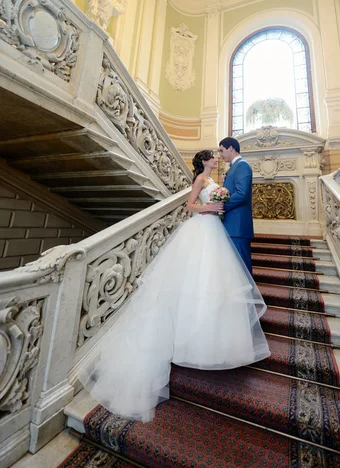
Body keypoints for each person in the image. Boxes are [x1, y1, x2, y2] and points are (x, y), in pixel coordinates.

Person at [79, 149, 270, 422]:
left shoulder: (217, 181)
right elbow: (190, 206)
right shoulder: (201, 181)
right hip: (202, 230)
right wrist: (210, 208)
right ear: (204, 162)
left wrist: (220, 204)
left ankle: (209, 339)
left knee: (215, 286)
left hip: (216, 231)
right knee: (197, 283)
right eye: (213, 158)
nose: (217, 160)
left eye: (218, 157)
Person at [219, 137, 254, 275]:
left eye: (222, 151)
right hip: (231, 225)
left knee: (242, 269)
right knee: (233, 270)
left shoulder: (242, 165)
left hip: (238, 227)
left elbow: (241, 194)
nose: (220, 155)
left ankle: (248, 297)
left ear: (231, 148)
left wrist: (221, 206)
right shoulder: (233, 167)